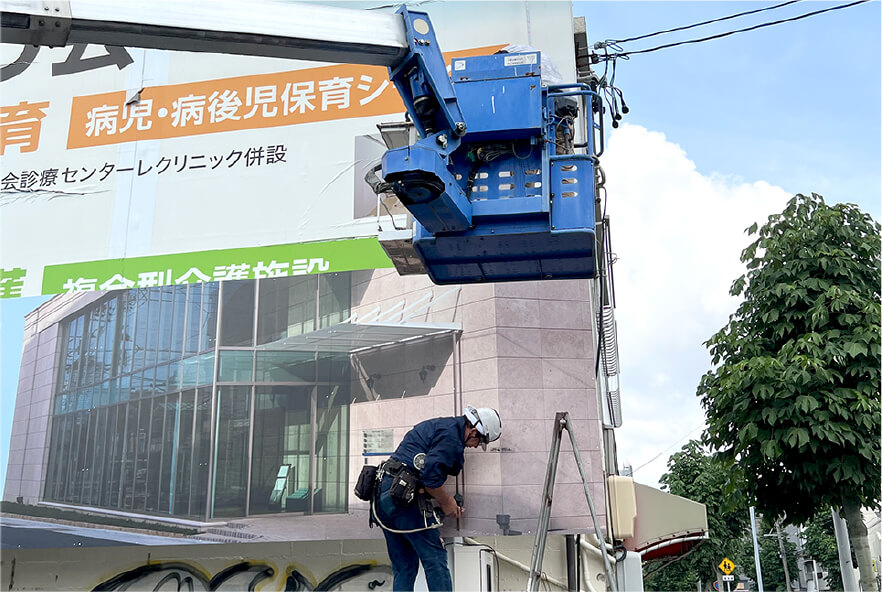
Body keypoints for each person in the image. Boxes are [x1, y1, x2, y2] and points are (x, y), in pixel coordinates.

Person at [373, 405, 502, 592]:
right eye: (480, 442)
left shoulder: (440, 427)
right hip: (403, 499)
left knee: (405, 567)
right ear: (474, 431)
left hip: (384, 498)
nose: (475, 446)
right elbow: (431, 480)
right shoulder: (451, 438)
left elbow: (422, 471)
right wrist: (447, 502)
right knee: (435, 559)